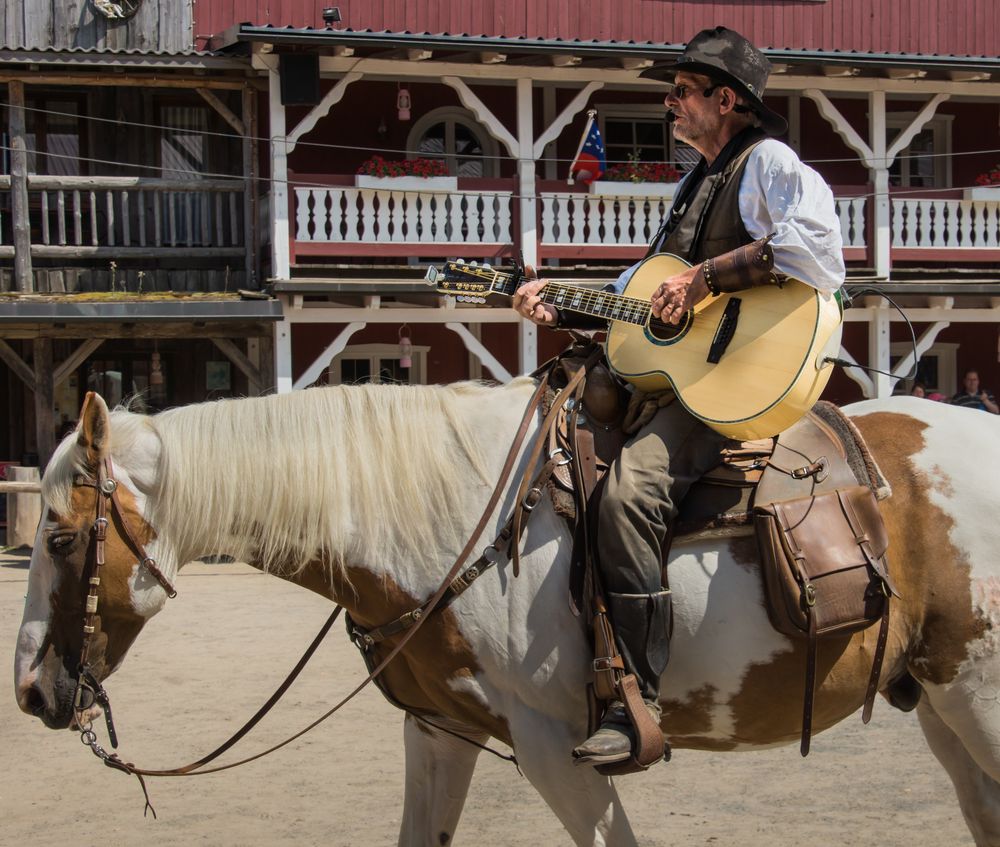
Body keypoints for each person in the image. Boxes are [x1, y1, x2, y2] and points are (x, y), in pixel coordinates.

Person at [513, 26, 845, 769]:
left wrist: (704, 279)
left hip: (733, 385)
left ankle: (636, 699)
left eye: (682, 93)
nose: (669, 104)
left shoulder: (768, 162)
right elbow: (644, 315)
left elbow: (820, 249)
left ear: (726, 101)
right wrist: (560, 306)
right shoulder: (694, 185)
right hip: (686, 374)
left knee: (631, 494)